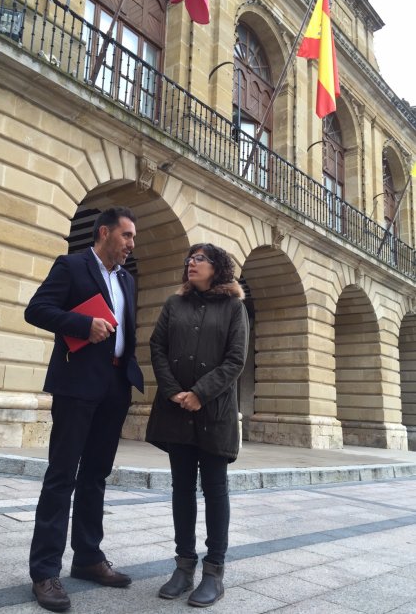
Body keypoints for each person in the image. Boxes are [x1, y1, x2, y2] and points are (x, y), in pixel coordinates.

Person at [25, 206, 144, 612]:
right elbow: (37, 309)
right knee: (62, 476)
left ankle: (89, 558)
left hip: (114, 386)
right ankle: (44, 571)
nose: (131, 244)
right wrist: (81, 325)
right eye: (127, 236)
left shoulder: (127, 279)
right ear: (105, 232)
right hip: (76, 386)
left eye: (134, 238)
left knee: (96, 475)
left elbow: (128, 332)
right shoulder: (73, 266)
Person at [146, 243, 249, 608]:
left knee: (215, 490)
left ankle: (214, 572)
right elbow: (156, 346)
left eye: (200, 258)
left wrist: (200, 394)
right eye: (188, 257)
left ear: (217, 267)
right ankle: (183, 567)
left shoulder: (234, 308)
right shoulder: (174, 304)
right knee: (182, 489)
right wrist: (174, 392)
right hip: (177, 412)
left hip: (214, 413)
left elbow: (236, 359)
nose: (191, 262)